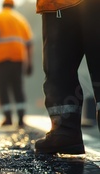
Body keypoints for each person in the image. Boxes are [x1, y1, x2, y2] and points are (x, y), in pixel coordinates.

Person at [34, 0, 100, 155]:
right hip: (60, 6)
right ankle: (64, 132)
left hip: (59, 6)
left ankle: (65, 131)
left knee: (58, 67)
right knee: (58, 68)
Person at [0, 0, 33, 127]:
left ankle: (8, 118)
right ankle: (21, 118)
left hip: (0, 59)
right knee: (18, 88)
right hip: (17, 58)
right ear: (13, 6)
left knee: (3, 89)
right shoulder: (21, 20)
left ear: (3, 5)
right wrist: (29, 62)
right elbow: (29, 44)